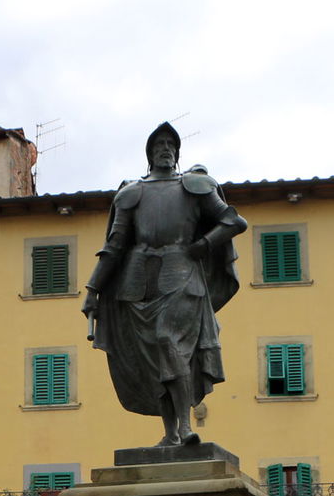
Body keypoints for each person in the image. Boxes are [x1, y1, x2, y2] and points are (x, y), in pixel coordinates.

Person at [82, 121, 248, 447]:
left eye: (170, 144)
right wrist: (92, 289)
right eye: (158, 144)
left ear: (177, 152)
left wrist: (204, 245)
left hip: (181, 272)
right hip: (137, 281)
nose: (165, 149)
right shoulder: (132, 192)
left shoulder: (194, 185)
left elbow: (233, 221)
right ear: (149, 152)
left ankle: (185, 427)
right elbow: (114, 246)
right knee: (153, 358)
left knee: (167, 341)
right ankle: (170, 432)